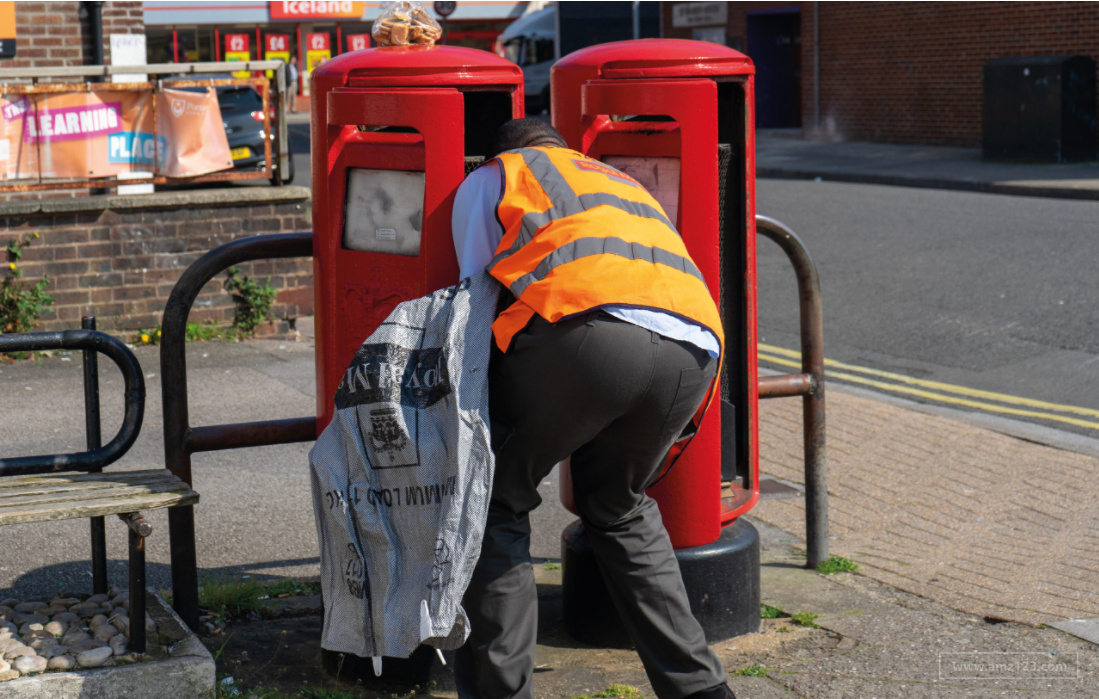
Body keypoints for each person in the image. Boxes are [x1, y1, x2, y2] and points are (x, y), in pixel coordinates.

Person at [450, 118, 736, 699]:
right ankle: (701, 691)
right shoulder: (618, 181)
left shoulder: (497, 176)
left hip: (587, 333)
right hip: (695, 347)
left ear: (500, 152)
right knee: (618, 507)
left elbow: (475, 297)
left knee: (494, 502)